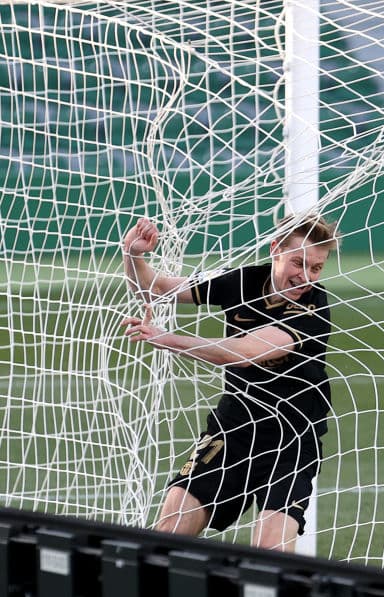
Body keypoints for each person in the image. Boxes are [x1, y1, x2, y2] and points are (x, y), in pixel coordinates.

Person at [121, 215, 337, 552]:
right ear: (275, 249)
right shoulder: (242, 280)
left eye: (317, 268)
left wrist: (168, 339)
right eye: (299, 262)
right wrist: (133, 255)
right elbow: (155, 288)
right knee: (169, 532)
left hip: (289, 440)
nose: (306, 276)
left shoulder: (313, 309)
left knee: (269, 556)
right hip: (232, 429)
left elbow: (242, 353)